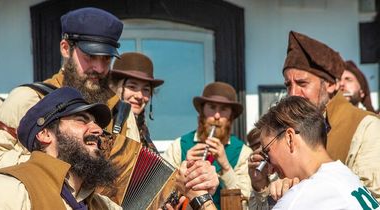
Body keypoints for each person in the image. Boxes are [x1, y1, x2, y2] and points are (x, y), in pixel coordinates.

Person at [0, 7, 141, 175]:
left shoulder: (121, 112)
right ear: (65, 48)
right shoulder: (30, 98)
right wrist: (53, 171)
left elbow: (134, 175)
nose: (99, 68)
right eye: (90, 56)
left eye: (106, 59)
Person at [250, 30, 380, 205]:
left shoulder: (367, 126)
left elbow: (368, 201)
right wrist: (262, 186)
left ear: (332, 85)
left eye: (303, 83)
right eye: (288, 85)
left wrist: (301, 191)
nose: (293, 93)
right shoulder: (289, 130)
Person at [0, 87, 123, 209]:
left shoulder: (104, 205)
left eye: (96, 123)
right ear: (45, 134)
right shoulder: (6, 191)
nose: (98, 130)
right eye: (81, 120)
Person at [252, 96, 379, 210]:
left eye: (267, 152)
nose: (270, 169)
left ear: (289, 139)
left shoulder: (301, 198)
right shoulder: (348, 178)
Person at [163, 81, 253, 209]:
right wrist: (185, 167)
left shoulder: (243, 152)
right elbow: (160, 193)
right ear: (202, 111)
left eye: (223, 109)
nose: (217, 116)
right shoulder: (179, 145)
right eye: (212, 107)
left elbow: (246, 201)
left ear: (231, 116)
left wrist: (226, 167)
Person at [109, 52, 164, 151]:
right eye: (132, 87)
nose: (139, 96)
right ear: (114, 87)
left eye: (146, 90)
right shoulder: (103, 124)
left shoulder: (143, 132)